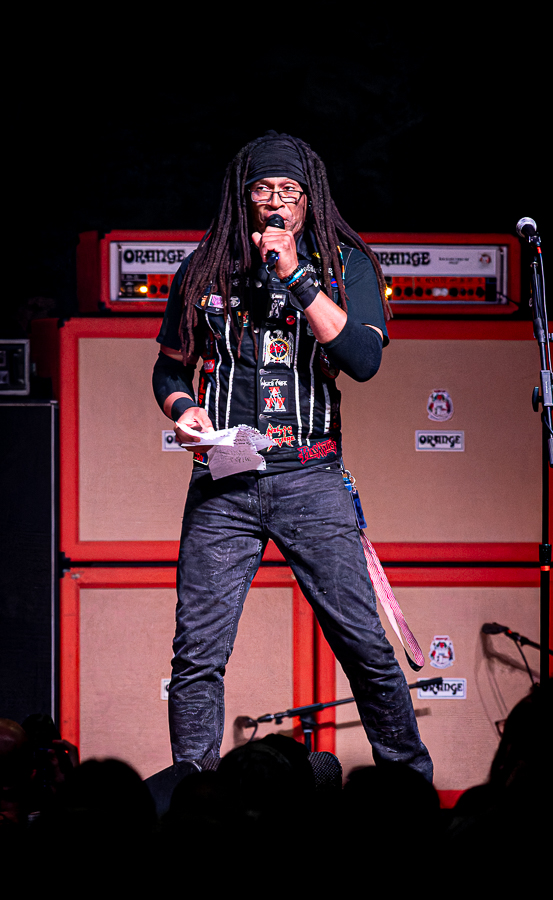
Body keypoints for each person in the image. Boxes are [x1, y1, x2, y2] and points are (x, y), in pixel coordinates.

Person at [153, 132, 432, 781]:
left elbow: (363, 361)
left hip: (311, 477)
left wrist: (295, 276)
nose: (276, 202)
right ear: (244, 197)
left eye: (289, 191)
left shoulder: (343, 266)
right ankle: (195, 797)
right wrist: (181, 408)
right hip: (225, 481)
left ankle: (408, 789)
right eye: (263, 190)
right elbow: (168, 369)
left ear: (309, 200)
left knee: (364, 647)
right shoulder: (204, 269)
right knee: (196, 657)